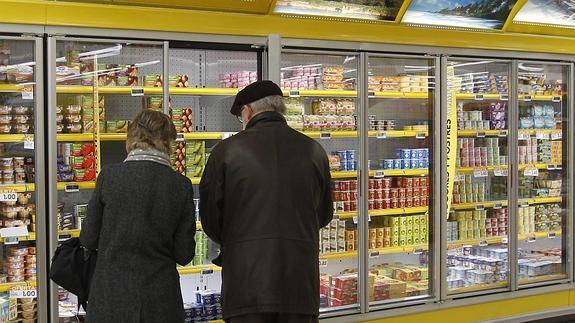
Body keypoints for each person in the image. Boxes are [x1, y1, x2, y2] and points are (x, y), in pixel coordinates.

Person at [199, 80, 333, 323]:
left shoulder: (226, 152)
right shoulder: (313, 150)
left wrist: (235, 241)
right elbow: (323, 214)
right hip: (300, 284)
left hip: (246, 285)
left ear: (247, 111)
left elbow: (210, 218)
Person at [80, 109, 196, 322]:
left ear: (132, 138)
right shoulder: (181, 186)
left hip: (110, 298)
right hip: (160, 301)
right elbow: (184, 254)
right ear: (168, 141)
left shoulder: (109, 177)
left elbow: (88, 237)